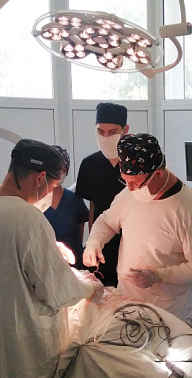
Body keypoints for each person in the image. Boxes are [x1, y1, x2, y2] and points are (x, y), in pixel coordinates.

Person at [0, 139, 105, 378]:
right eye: (52, 186)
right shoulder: (26, 216)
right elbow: (56, 290)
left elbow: (0, 257)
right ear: (40, 178)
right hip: (25, 342)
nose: (51, 192)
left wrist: (49, 248)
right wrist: (90, 289)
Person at [83, 133, 192, 325]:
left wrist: (158, 276)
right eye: (125, 181)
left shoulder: (188, 208)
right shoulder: (129, 195)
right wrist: (94, 242)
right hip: (128, 304)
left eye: (135, 183)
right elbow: (106, 221)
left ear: (159, 174)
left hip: (169, 313)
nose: (130, 189)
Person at [76, 102, 129, 286]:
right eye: (100, 131)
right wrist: (93, 242)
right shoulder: (89, 164)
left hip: (132, 241)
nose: (106, 137)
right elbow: (93, 207)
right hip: (102, 244)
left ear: (125, 131)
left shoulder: (134, 164)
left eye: (112, 132)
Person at [38, 145, 89, 269]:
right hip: (44, 265)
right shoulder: (35, 200)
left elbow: (79, 235)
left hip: (73, 264)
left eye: (63, 169)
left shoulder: (73, 199)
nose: (59, 172)